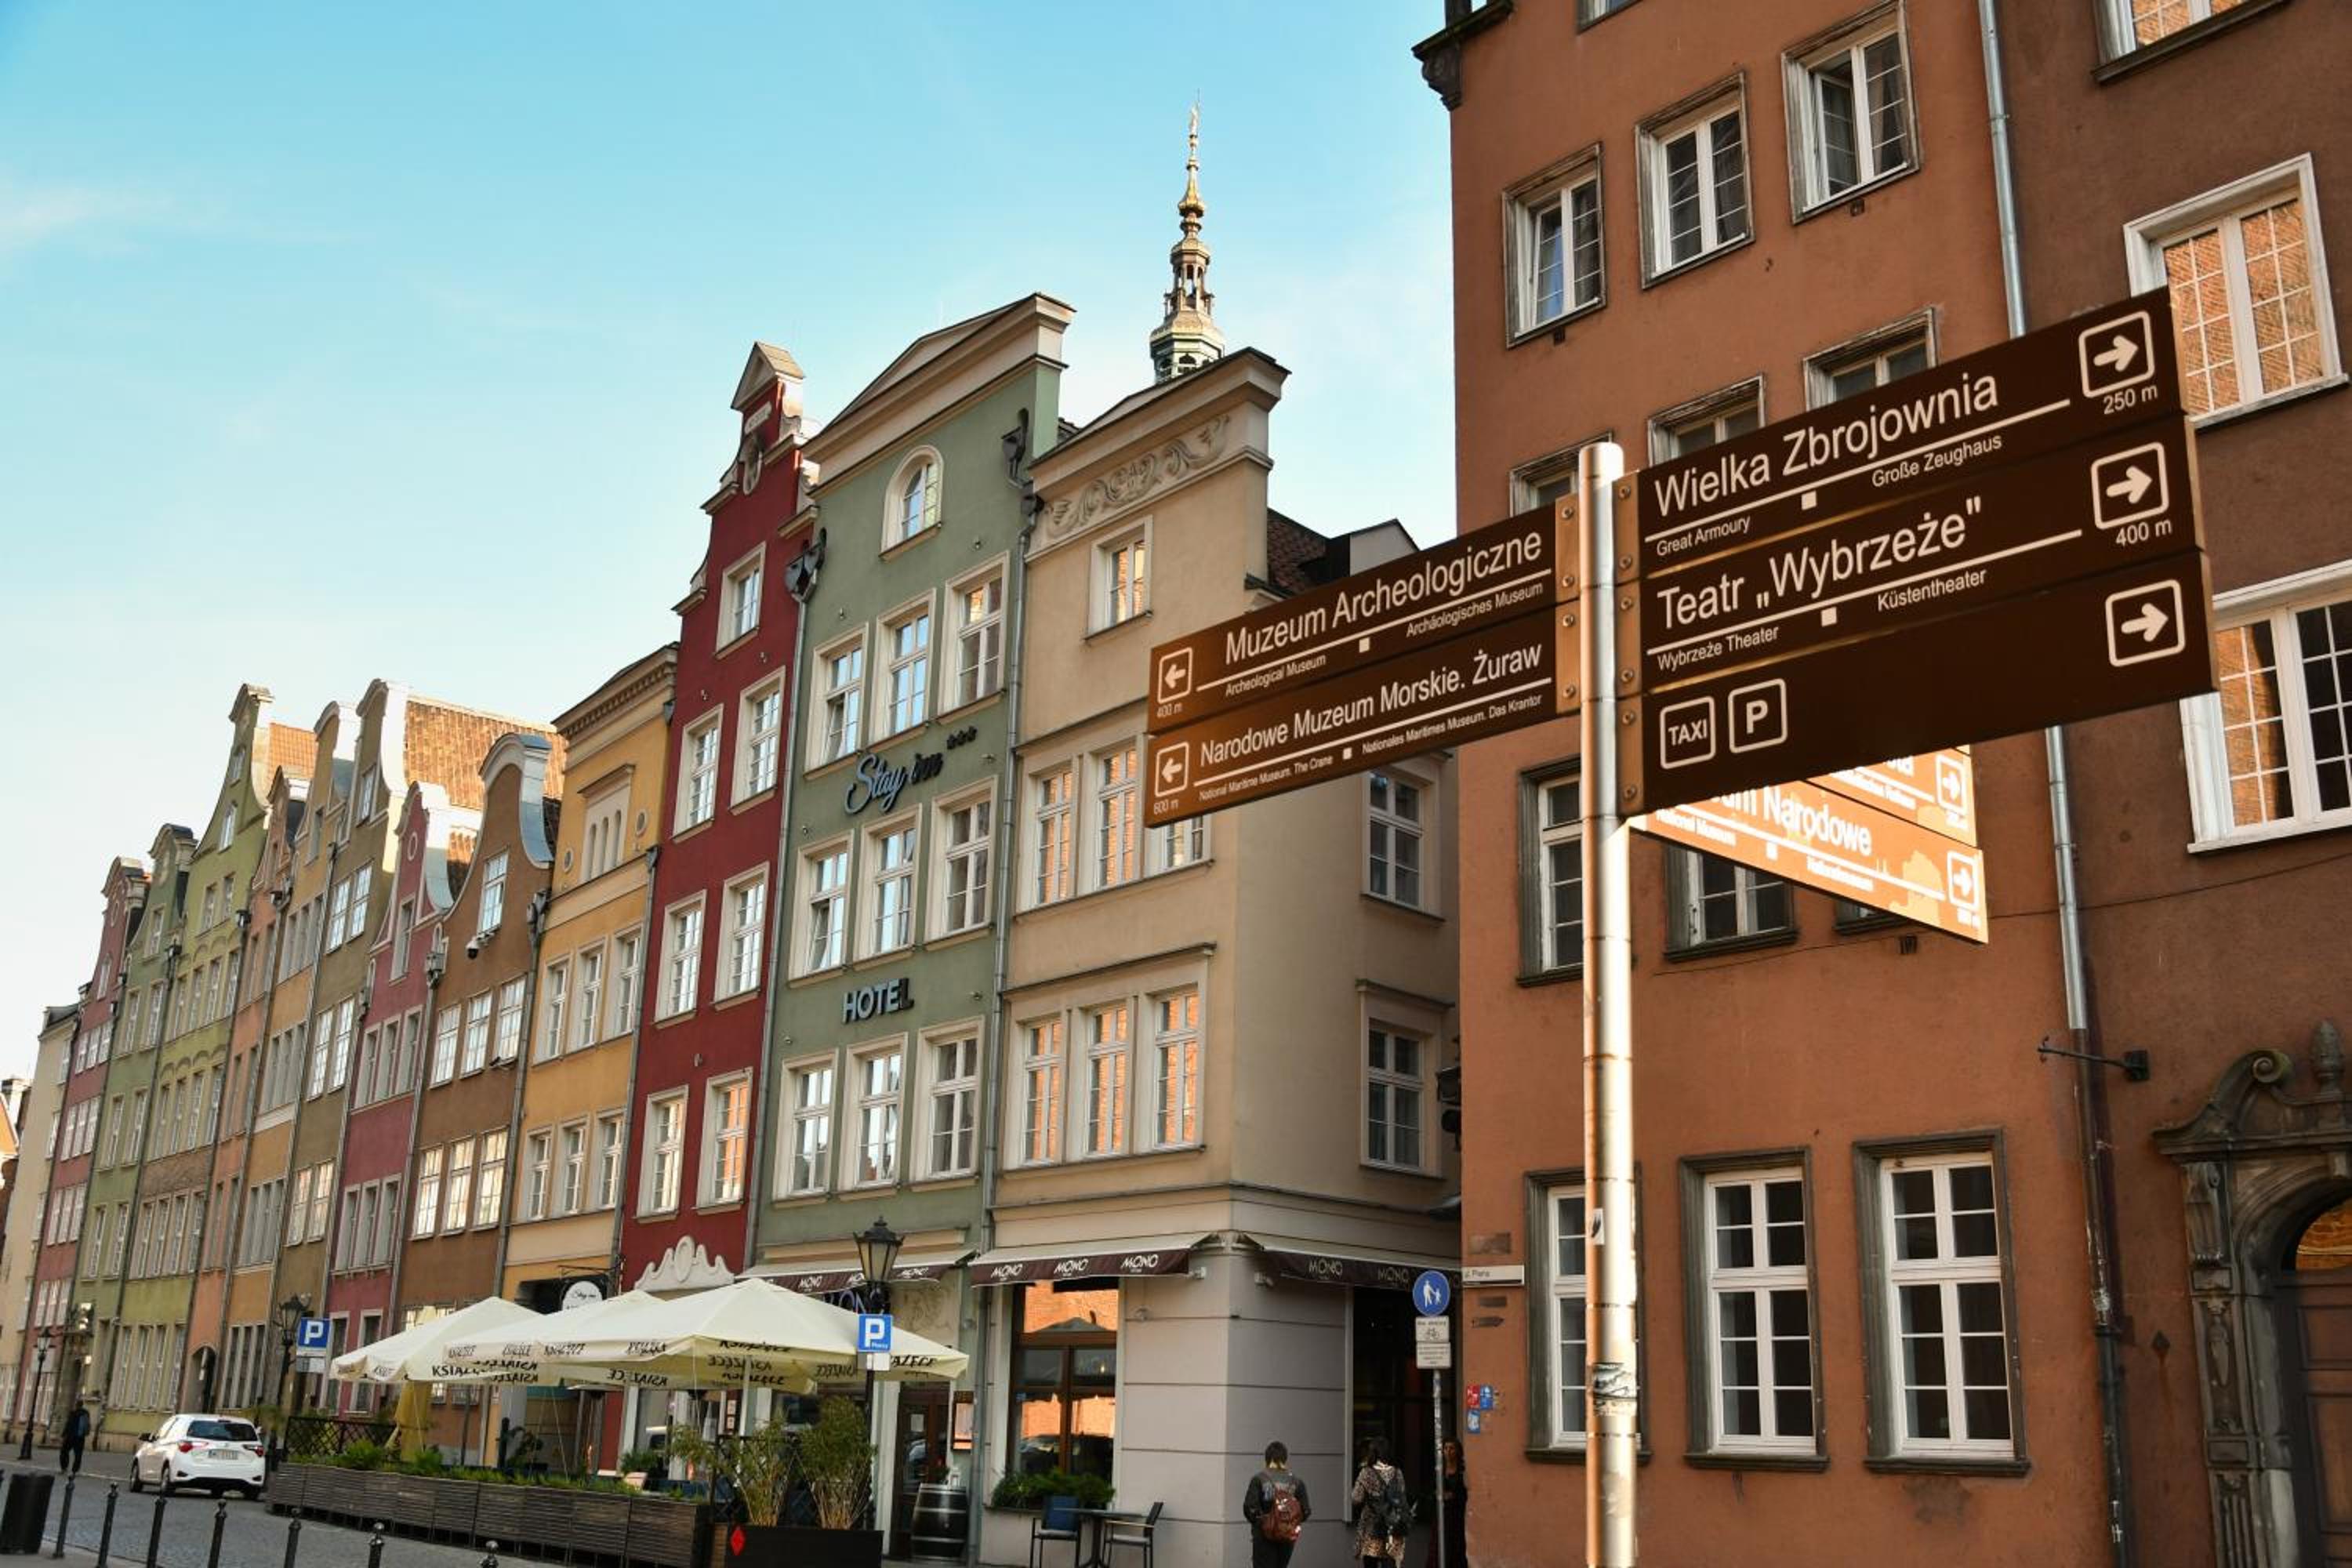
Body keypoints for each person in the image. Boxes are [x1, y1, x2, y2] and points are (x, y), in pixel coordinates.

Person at [1242, 1439, 1311, 1568]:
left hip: (1264, 1538)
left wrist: (1265, 1524)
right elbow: (1306, 1511)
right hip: (1287, 1537)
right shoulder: (1296, 1482)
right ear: (1285, 1459)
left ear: (1267, 1459)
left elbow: (1249, 1508)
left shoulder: (1259, 1479)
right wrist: (1288, 1523)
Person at [1350, 1437, 1409, 1566]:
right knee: (1390, 1562)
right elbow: (1402, 1496)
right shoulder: (1397, 1473)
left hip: (1372, 1526)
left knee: (1371, 1563)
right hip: (1393, 1526)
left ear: (1372, 1453)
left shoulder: (1366, 1473)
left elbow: (1356, 1498)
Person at [1426, 1439, 1468, 1567]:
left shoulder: (1462, 1471)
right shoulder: (1439, 1470)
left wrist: (1453, 1496)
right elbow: (1431, 1491)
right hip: (1441, 1514)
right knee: (1439, 1545)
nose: (1448, 1452)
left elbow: (1465, 1493)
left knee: (1455, 1547)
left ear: (1458, 1451)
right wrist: (1438, 1494)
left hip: (1456, 1515)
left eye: (1452, 1448)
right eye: (1446, 1448)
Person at [57, 1403, 89, 1475]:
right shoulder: (86, 1413)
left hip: (70, 1436)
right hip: (80, 1437)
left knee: (64, 1451)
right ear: (82, 1405)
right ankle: (75, 1470)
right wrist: (85, 1433)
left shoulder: (73, 1413)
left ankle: (64, 1468)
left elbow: (68, 1424)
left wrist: (63, 1435)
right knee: (78, 1455)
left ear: (76, 1405)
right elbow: (87, 1426)